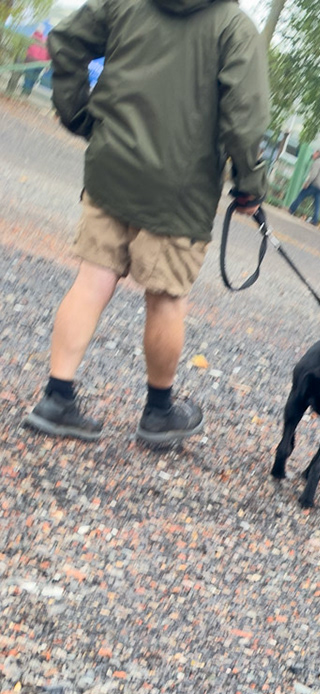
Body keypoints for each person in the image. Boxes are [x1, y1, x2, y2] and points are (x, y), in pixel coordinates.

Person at [26, 0, 269, 448]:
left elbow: (65, 41)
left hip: (112, 165)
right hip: (180, 189)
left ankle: (56, 397)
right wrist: (249, 187)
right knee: (166, 299)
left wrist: (78, 113)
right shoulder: (234, 29)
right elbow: (245, 117)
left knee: (92, 280)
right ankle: (158, 412)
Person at [289, 148, 320, 225]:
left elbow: (313, 175)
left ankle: (291, 209)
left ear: (318, 154)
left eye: (315, 153)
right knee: (317, 203)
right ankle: (315, 220)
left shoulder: (316, 163)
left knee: (302, 194)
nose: (313, 154)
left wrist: (307, 183)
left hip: (314, 185)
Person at [15, 24, 49, 95]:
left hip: (32, 60)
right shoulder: (47, 41)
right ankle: (27, 91)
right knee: (33, 77)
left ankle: (25, 92)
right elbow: (49, 54)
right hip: (41, 62)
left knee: (29, 76)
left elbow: (26, 48)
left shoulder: (33, 37)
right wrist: (47, 64)